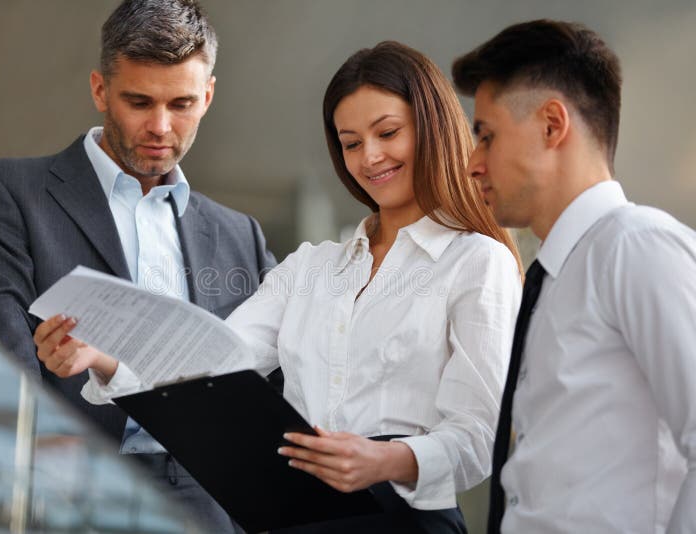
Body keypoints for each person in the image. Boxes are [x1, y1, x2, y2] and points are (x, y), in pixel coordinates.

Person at [36, 41, 523, 532]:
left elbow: (481, 434)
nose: (370, 157)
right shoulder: (311, 267)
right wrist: (104, 359)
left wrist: (386, 460)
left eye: (388, 132)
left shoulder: (477, 261)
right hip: (295, 517)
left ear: (432, 129)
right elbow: (210, 362)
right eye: (351, 143)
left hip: (405, 521)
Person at [0, 0, 275, 531]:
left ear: (208, 96)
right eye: (139, 101)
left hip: (209, 496)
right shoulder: (8, 195)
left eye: (182, 103)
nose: (160, 126)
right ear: (100, 90)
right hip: (66, 485)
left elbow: (264, 390)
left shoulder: (241, 236)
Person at [452, 19, 696, 534]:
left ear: (551, 125)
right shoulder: (555, 277)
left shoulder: (636, 248)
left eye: (487, 136)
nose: (473, 164)